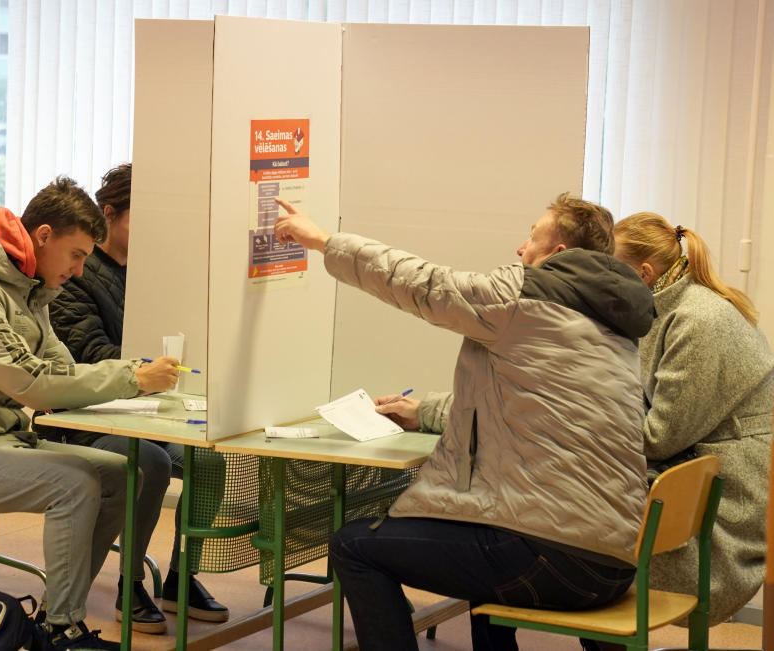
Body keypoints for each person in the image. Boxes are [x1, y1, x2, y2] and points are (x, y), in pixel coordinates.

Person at [273, 193, 656, 651]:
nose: (520, 248)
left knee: (354, 547)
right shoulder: (610, 326)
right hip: (612, 560)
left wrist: (324, 241)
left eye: (531, 236)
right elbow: (531, 401)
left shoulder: (524, 297)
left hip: (548, 557)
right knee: (481, 545)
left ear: (558, 254)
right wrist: (425, 412)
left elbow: (420, 282)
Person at [0, 177, 181, 651]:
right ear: (43, 236)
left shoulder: (29, 289)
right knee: (75, 482)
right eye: (77, 254)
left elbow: (61, 369)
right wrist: (131, 377)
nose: (82, 270)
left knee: (128, 473)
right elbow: (35, 386)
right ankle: (62, 632)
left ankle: (56, 619)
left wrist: (135, 379)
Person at [38, 163, 228, 633]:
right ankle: (131, 581)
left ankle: (183, 576)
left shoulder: (148, 271)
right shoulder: (75, 275)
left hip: (144, 409)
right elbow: (87, 355)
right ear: (109, 215)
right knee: (151, 463)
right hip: (83, 418)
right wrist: (146, 370)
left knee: (209, 458)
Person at [613, 212, 774, 624]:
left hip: (728, 500)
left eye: (611, 270)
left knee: (582, 534)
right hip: (708, 472)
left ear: (644, 273)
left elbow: (658, 437)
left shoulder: (697, 320)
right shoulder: (671, 308)